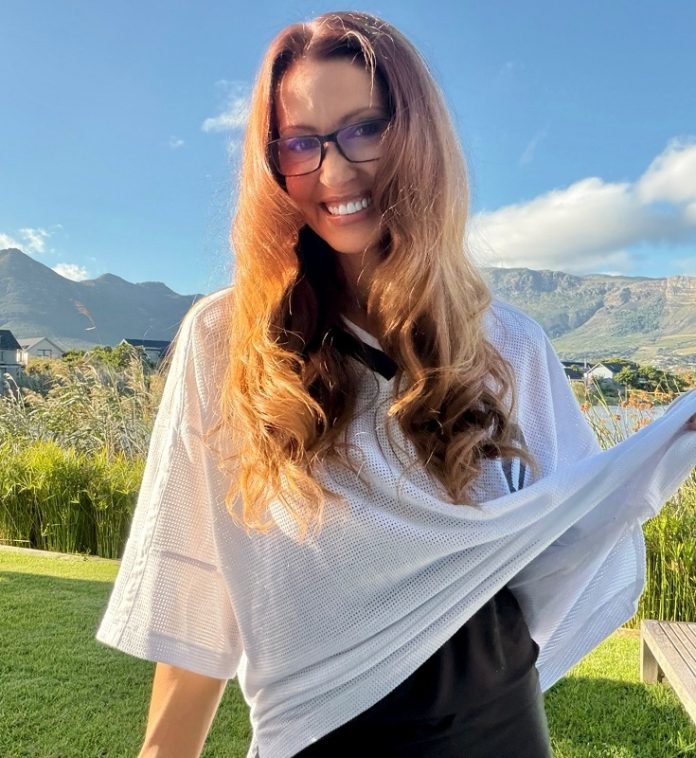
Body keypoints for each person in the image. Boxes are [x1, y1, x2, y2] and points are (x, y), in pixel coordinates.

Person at [96, 11, 696, 758]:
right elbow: (197, 584)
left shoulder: (507, 345)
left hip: (497, 728)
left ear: (418, 137)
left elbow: (565, 535)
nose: (333, 172)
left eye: (364, 129)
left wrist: (662, 450)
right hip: (315, 734)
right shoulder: (227, 340)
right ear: (272, 162)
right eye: (301, 142)